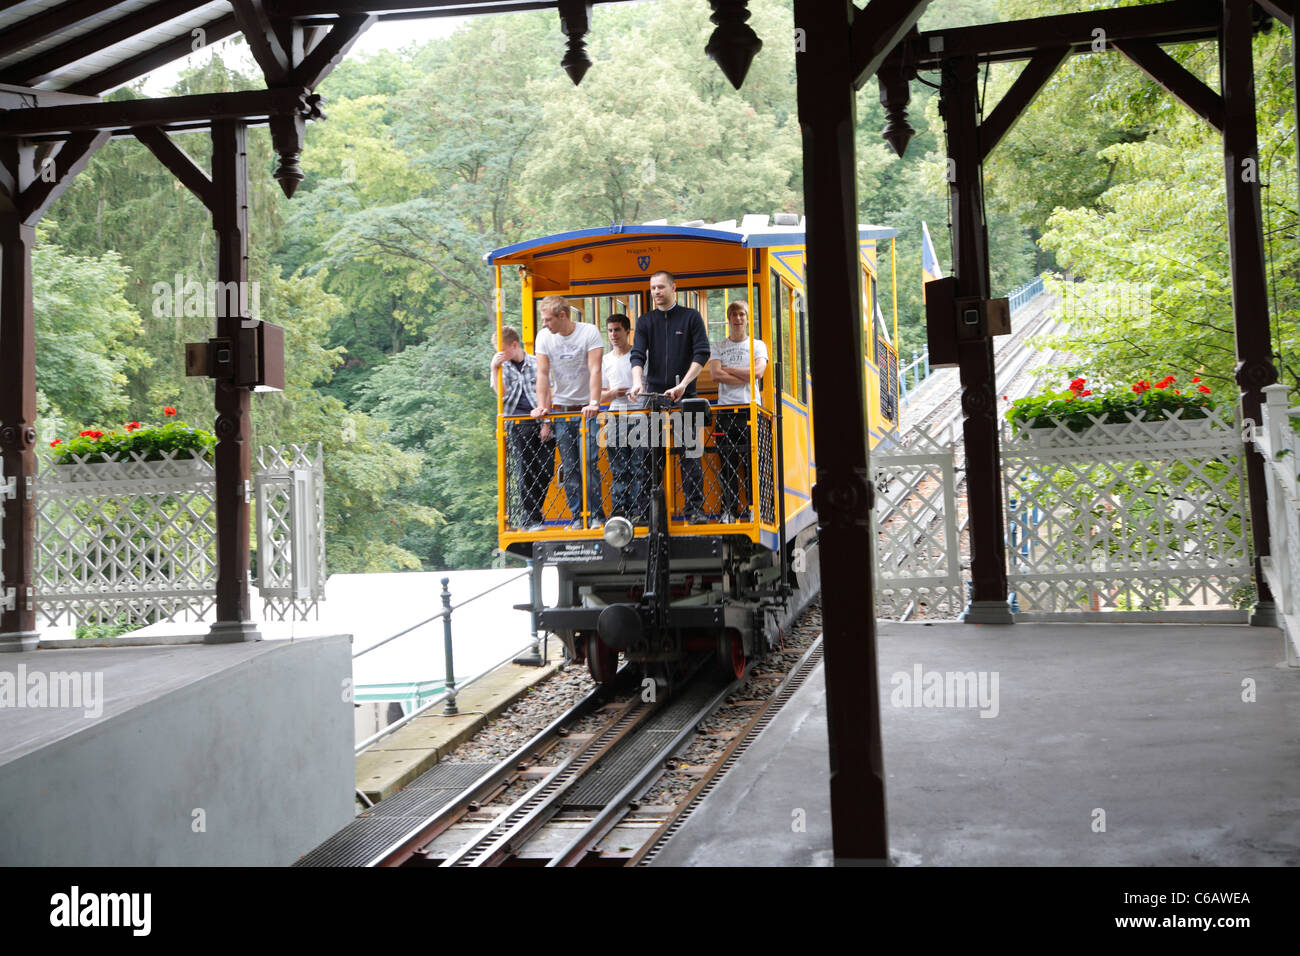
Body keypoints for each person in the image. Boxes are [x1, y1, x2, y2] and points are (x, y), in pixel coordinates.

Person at [628, 271, 711, 523]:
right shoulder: (645, 321)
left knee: (691, 457)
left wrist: (684, 385)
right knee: (649, 458)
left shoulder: (691, 317)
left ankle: (695, 511)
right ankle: (645, 513)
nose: (656, 292)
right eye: (652, 288)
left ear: (674, 288)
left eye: (661, 287)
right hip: (654, 398)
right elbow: (637, 355)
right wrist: (636, 383)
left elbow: (702, 353)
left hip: (688, 398)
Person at [531, 295, 605, 529]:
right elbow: (542, 374)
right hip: (562, 411)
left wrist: (594, 402)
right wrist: (543, 407)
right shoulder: (544, 337)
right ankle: (577, 517)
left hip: (586, 410)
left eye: (547, 319)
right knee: (570, 467)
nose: (544, 324)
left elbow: (595, 369)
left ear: (562, 316)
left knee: (589, 462)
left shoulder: (589, 332)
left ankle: (595, 515)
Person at [708, 301, 769, 523]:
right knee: (727, 463)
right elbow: (715, 375)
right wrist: (746, 373)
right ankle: (730, 510)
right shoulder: (719, 346)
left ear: (747, 318)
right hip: (725, 411)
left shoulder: (758, 345)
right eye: (733, 314)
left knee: (753, 462)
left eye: (742, 314)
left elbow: (759, 371)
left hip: (750, 409)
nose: (738, 318)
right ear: (728, 318)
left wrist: (730, 370)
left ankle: (755, 508)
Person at [490, 326, 554, 530]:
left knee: (546, 467)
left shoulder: (536, 362)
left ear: (514, 345)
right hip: (519, 422)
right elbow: (501, 394)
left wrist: (546, 422)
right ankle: (531, 518)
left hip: (541, 418)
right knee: (525, 469)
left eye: (501, 349)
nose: (498, 354)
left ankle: (534, 510)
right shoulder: (503, 366)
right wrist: (494, 369)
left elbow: (549, 391)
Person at [600, 313, 648, 522]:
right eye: (610, 330)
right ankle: (620, 509)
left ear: (628, 331)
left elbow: (650, 383)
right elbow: (597, 394)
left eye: (617, 330)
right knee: (618, 467)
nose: (613, 335)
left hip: (640, 415)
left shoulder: (639, 357)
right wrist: (613, 394)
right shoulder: (605, 360)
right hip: (615, 416)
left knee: (640, 466)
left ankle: (640, 510)